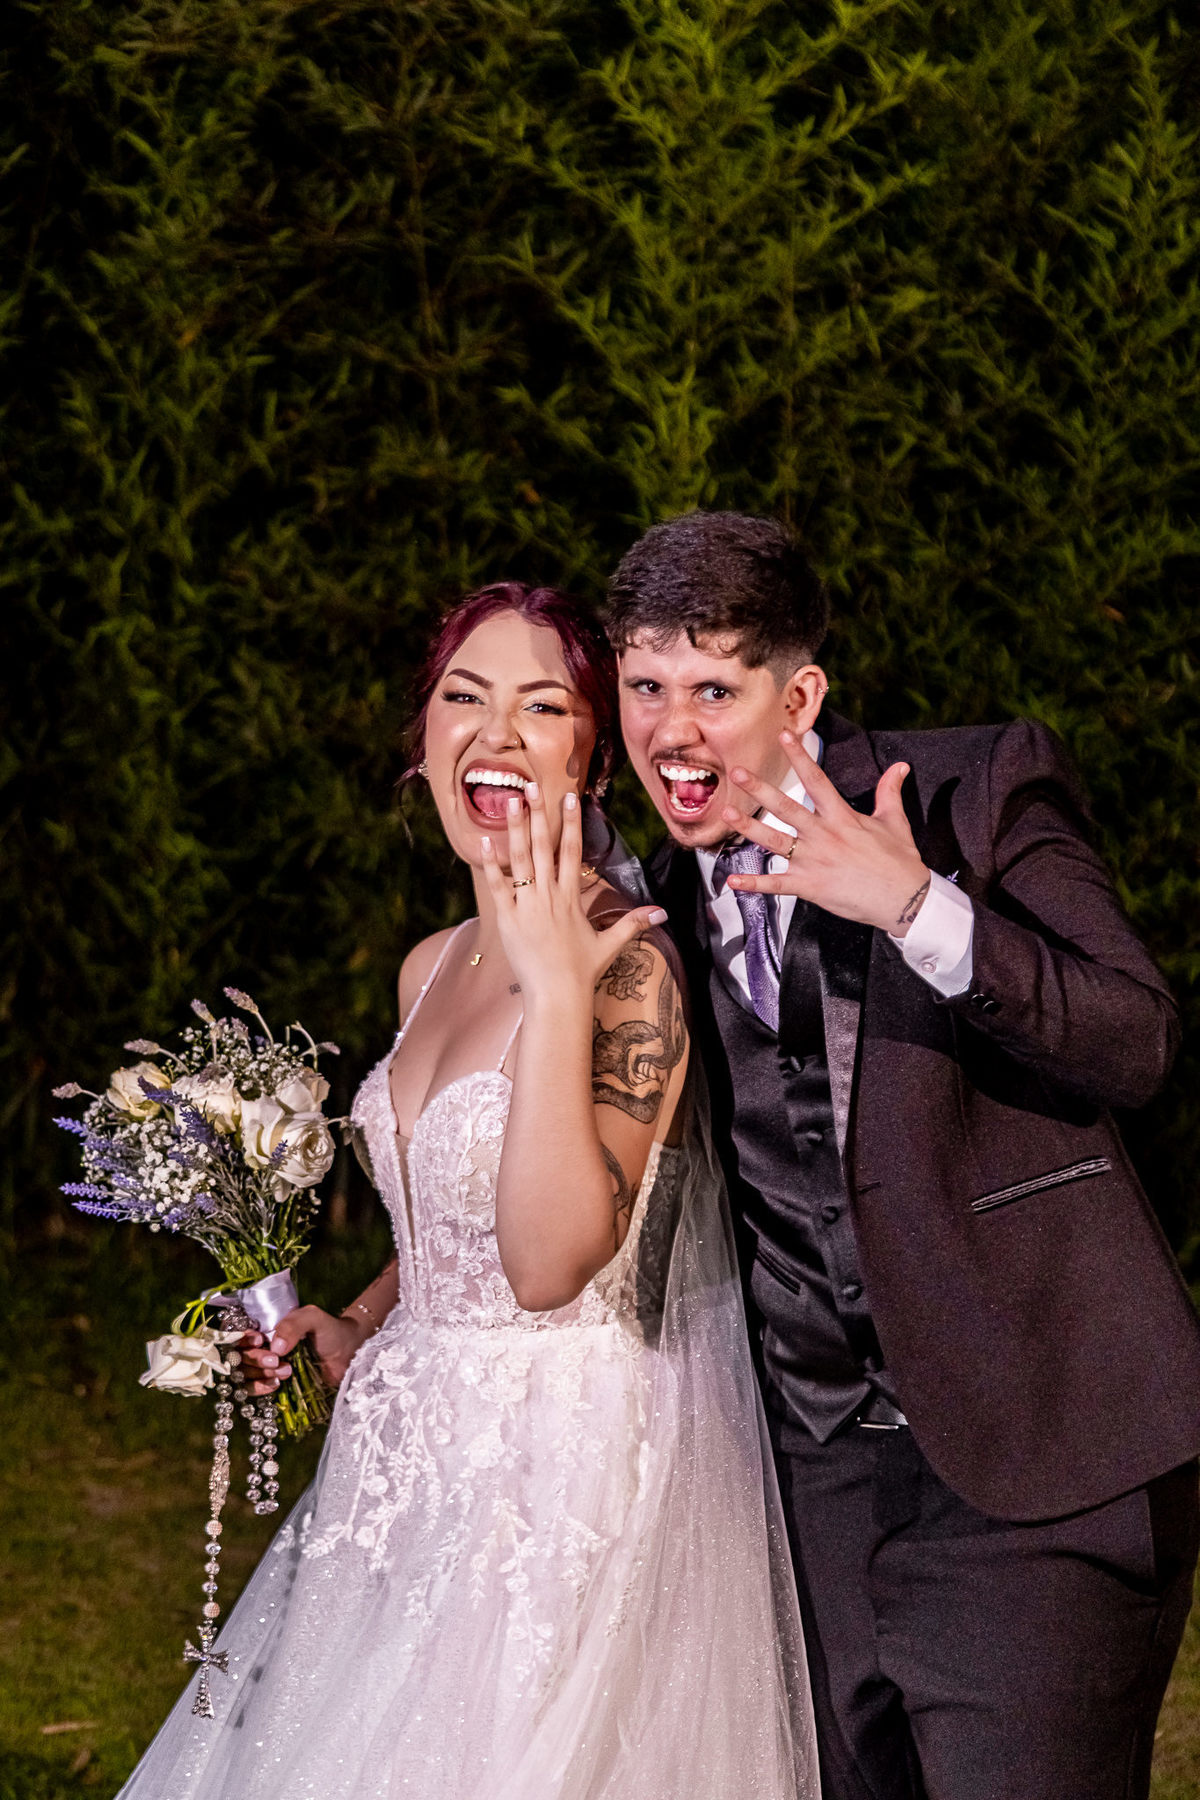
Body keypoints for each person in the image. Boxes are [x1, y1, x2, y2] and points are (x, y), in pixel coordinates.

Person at [116, 581, 818, 1800]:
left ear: (594, 760)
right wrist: (358, 1320)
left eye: (541, 707)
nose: (494, 733)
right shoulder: (430, 966)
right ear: (424, 740)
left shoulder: (625, 965)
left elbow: (548, 1264)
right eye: (463, 698)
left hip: (555, 1475)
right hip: (402, 1461)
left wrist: (558, 992)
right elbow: (454, 1221)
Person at [606, 509, 1200, 1800]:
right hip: (805, 1496)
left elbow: (1137, 1039)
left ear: (799, 697)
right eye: (646, 686)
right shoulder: (643, 909)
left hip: (1033, 1472)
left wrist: (918, 907)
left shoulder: (967, 792)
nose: (671, 730)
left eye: (714, 689)